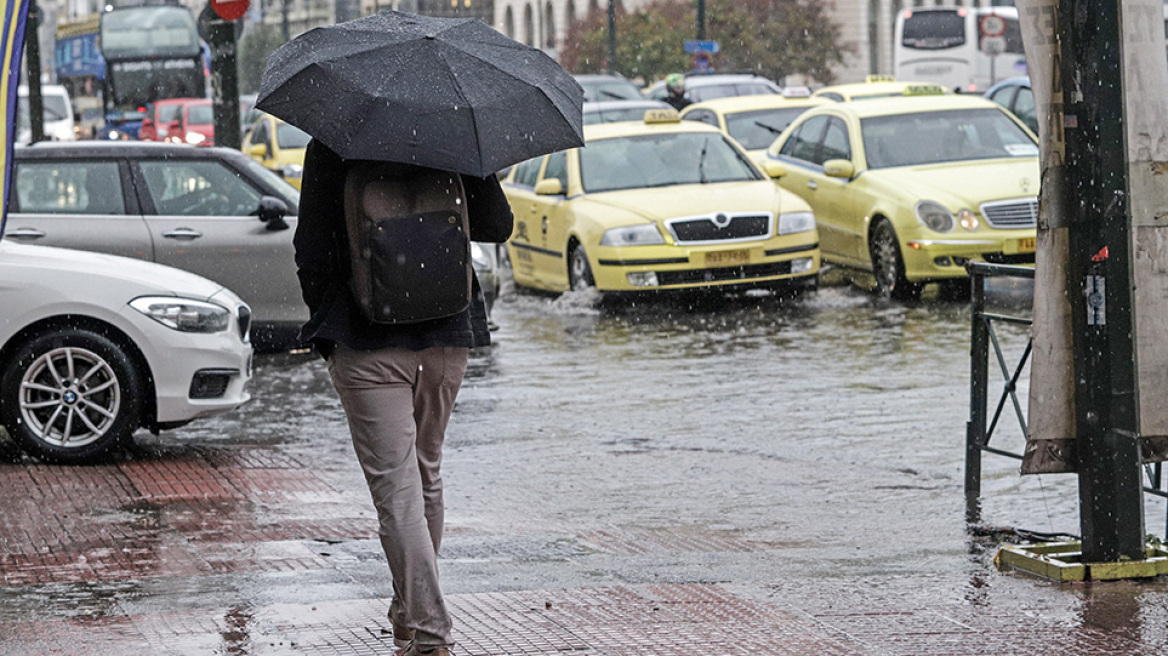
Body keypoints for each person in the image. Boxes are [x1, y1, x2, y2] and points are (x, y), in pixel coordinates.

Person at [294, 139, 514, 656]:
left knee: (398, 495)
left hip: (365, 338)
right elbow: (496, 226)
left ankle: (431, 632)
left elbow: (311, 248)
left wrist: (328, 320)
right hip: (446, 336)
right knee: (424, 475)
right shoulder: (452, 134)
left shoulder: (333, 143)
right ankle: (408, 612)